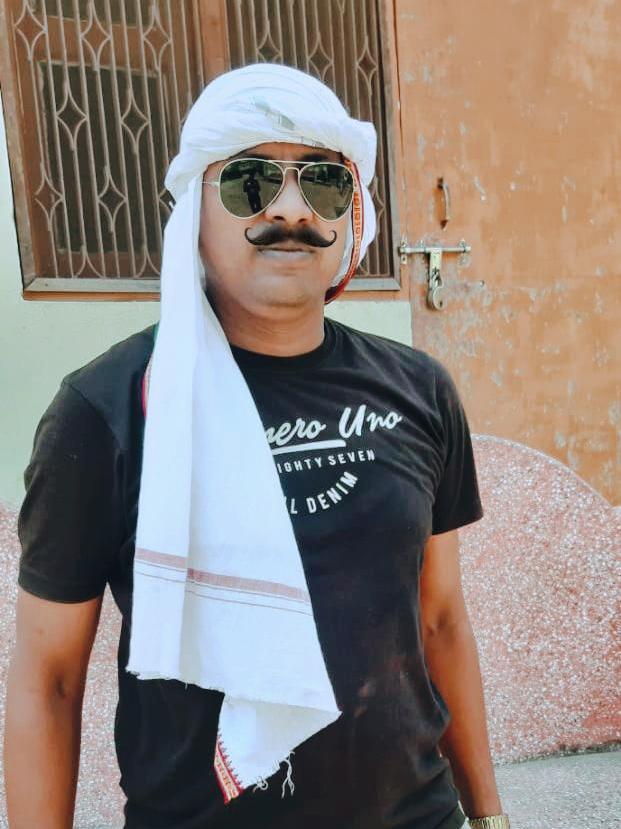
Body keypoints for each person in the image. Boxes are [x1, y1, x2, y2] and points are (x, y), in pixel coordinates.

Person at [4, 63, 511, 829]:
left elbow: (438, 619)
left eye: (324, 183)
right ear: (192, 213)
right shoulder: (108, 410)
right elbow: (49, 678)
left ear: (351, 214)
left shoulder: (417, 389)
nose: (290, 208)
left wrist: (489, 815)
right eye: (249, 181)